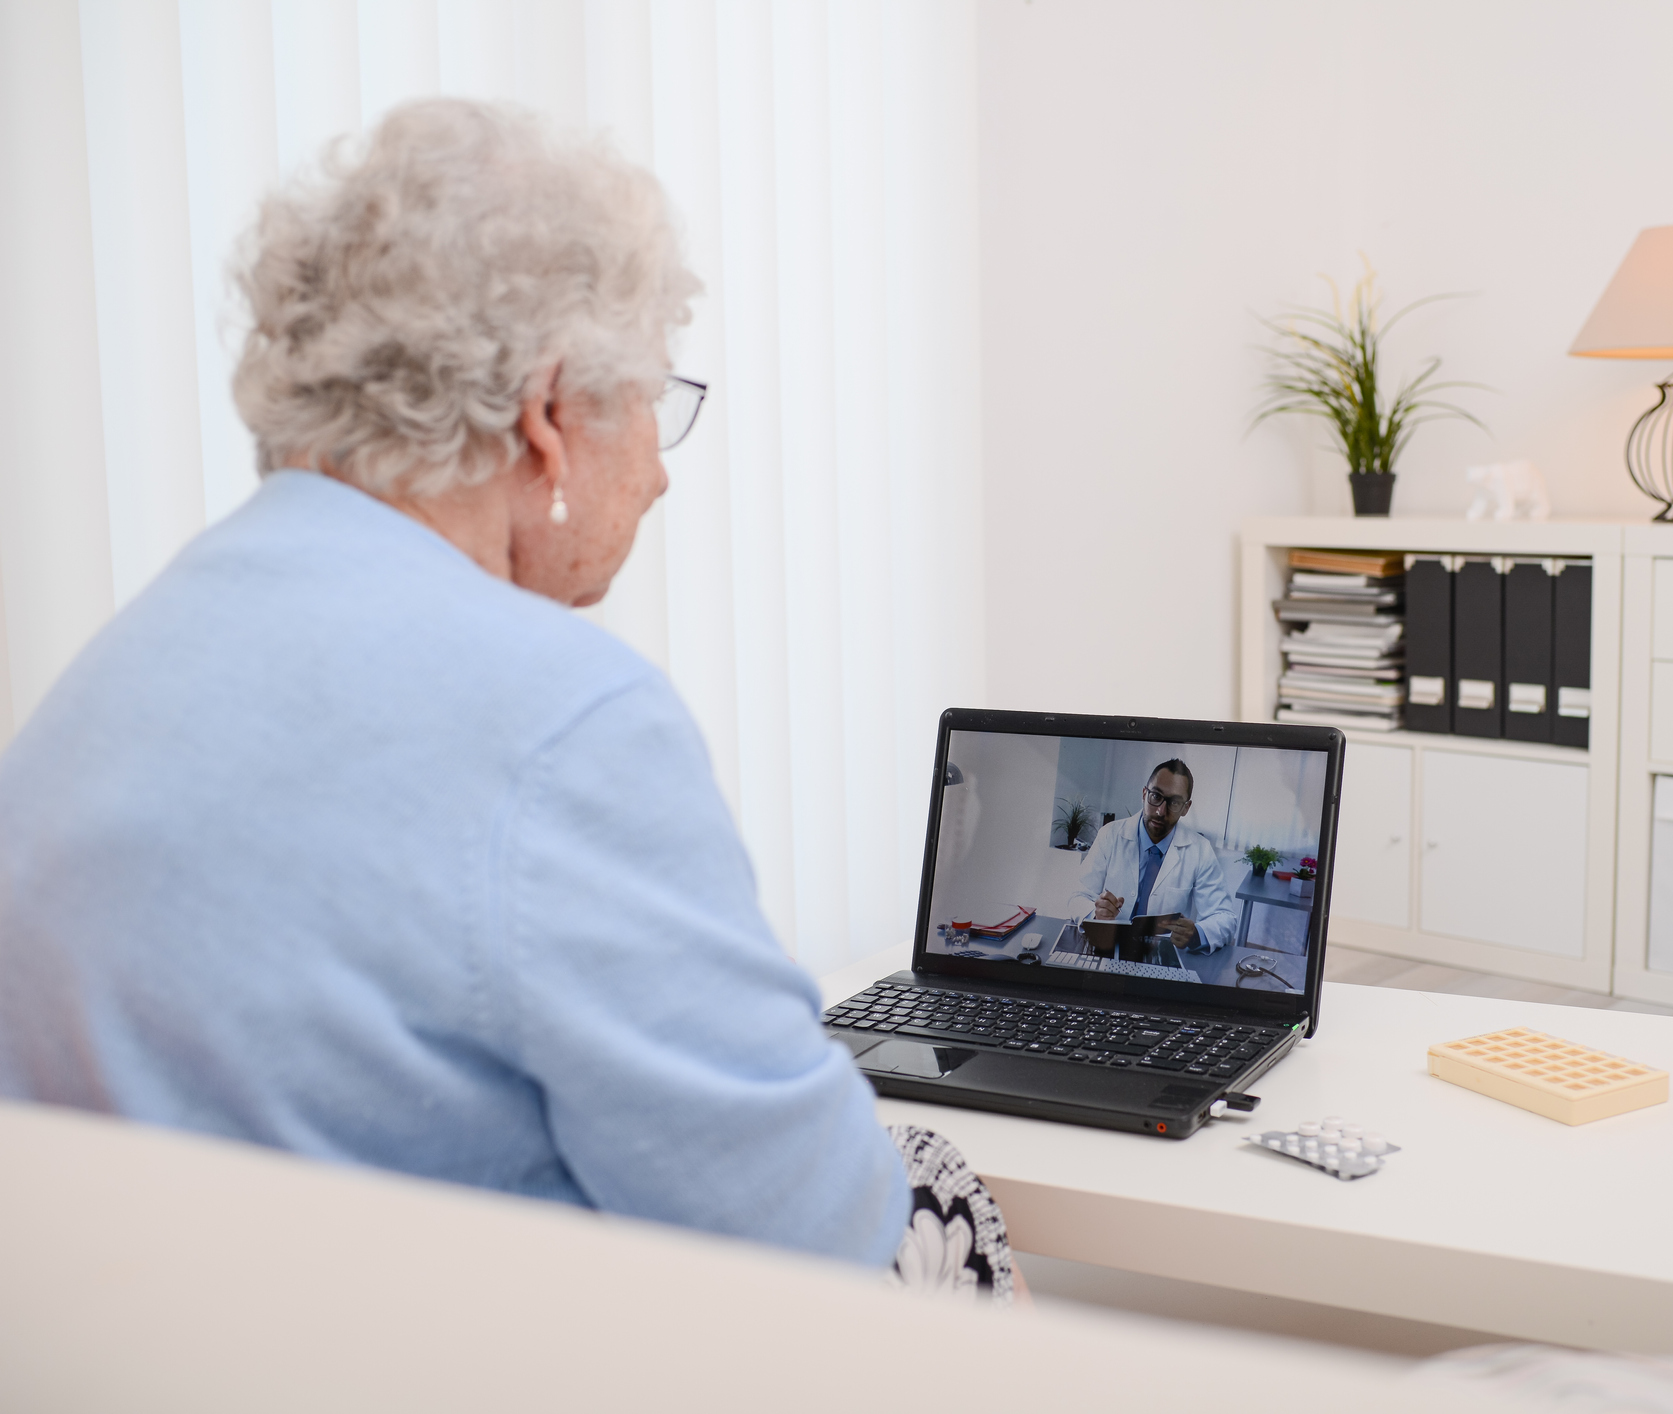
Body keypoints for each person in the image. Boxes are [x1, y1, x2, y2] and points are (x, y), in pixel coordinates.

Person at [0, 100, 1015, 1288]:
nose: (660, 469)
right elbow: (814, 1229)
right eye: (650, 398)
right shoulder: (563, 718)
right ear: (546, 415)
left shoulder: (131, 655)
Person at [1070, 760, 1240, 955]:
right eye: (1156, 796)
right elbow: (1077, 896)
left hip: (1162, 954)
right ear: (1144, 794)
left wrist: (1197, 933)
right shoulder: (1110, 834)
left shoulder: (1200, 850)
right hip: (1107, 947)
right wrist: (1095, 913)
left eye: (1174, 802)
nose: (1161, 811)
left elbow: (1225, 917)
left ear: (1186, 808)